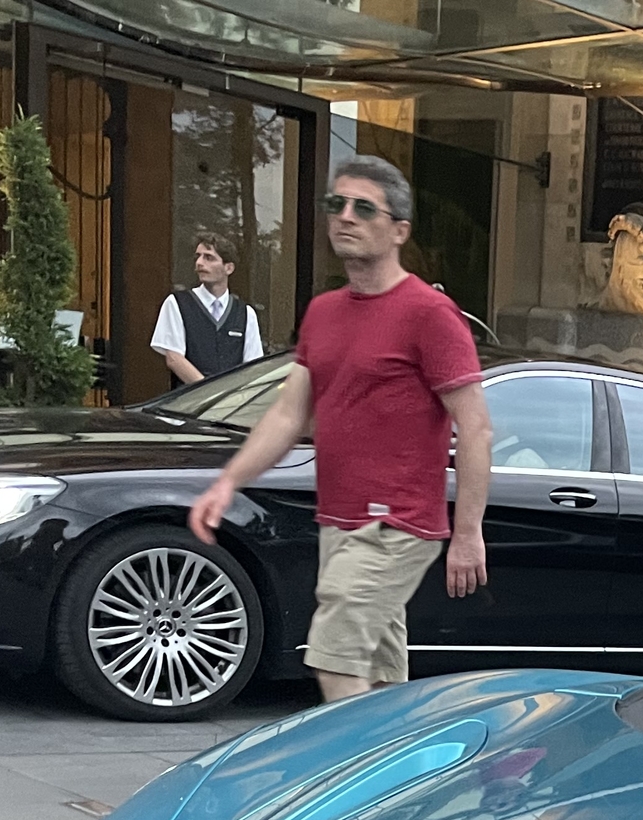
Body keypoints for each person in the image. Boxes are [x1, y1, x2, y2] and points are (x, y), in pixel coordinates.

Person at [187, 156, 490, 704]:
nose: (344, 216)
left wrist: (468, 533)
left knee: (333, 653)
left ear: (399, 230)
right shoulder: (324, 312)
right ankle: (402, 773)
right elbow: (287, 414)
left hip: (396, 525)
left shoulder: (430, 314)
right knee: (377, 673)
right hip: (338, 520)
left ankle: (352, 781)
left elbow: (475, 429)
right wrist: (228, 483)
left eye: (363, 208)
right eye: (337, 204)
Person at [151, 233, 263, 385]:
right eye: (198, 256)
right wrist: (208, 394)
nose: (199, 263)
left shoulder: (246, 313)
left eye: (209, 258)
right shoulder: (177, 303)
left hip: (232, 405)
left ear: (228, 268)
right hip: (186, 404)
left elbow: (252, 367)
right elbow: (174, 358)